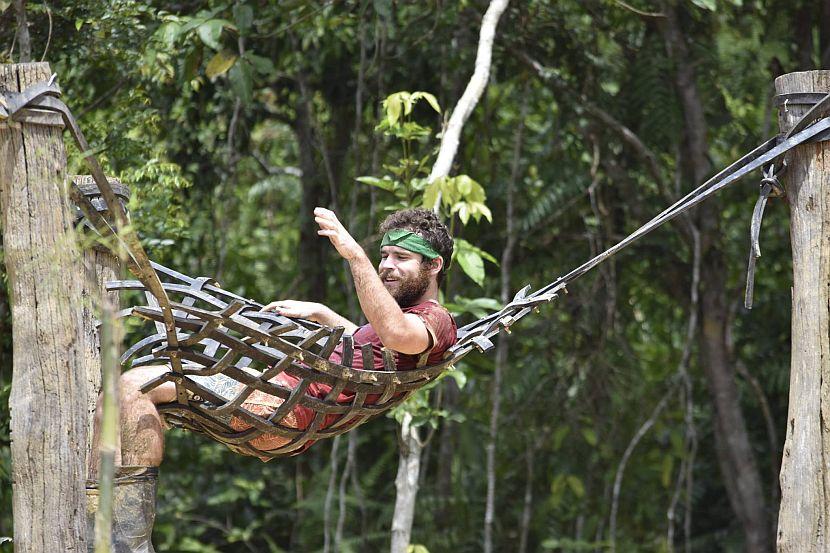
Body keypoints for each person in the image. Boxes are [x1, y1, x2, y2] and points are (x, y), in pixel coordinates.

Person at [87, 207, 457, 551]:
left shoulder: (436, 321)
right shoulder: (407, 324)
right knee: (118, 396)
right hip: (275, 397)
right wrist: (325, 315)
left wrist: (355, 256)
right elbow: (372, 352)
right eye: (383, 256)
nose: (387, 266)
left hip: (281, 407)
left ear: (434, 266)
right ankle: (102, 527)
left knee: (135, 387)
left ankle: (124, 542)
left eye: (401, 258)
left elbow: (394, 333)